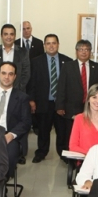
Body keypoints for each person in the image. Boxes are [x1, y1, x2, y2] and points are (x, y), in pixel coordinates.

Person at [56, 39, 98, 154]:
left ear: (90, 52)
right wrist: (60, 106)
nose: (84, 52)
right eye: (81, 49)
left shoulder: (97, 67)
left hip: (92, 107)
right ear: (76, 51)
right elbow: (61, 87)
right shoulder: (68, 66)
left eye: (87, 49)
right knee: (70, 135)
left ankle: (88, 154)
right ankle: (71, 159)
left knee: (88, 134)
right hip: (71, 107)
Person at [28, 34, 72, 163]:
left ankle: (63, 154)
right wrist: (32, 100)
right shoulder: (36, 62)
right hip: (43, 102)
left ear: (58, 45)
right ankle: (41, 152)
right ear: (44, 46)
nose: (51, 46)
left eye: (54, 43)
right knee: (43, 130)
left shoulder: (68, 61)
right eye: (48, 43)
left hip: (61, 103)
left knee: (62, 131)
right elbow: (32, 83)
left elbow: (70, 84)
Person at [0, 62, 31, 178]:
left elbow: (26, 122)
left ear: (15, 77)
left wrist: (11, 135)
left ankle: (0, 181)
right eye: (4, 73)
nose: (7, 77)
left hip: (8, 134)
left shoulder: (22, 98)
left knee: (9, 155)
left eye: (10, 74)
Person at [0, 23, 30, 91]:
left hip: (18, 92)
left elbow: (26, 74)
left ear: (15, 36)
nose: (9, 37)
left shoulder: (23, 52)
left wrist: (14, 91)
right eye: (6, 34)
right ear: (1, 36)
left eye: (11, 34)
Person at [69, 83, 98, 155]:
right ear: (88, 99)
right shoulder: (79, 118)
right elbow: (72, 146)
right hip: (85, 159)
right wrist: (90, 155)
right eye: (94, 97)